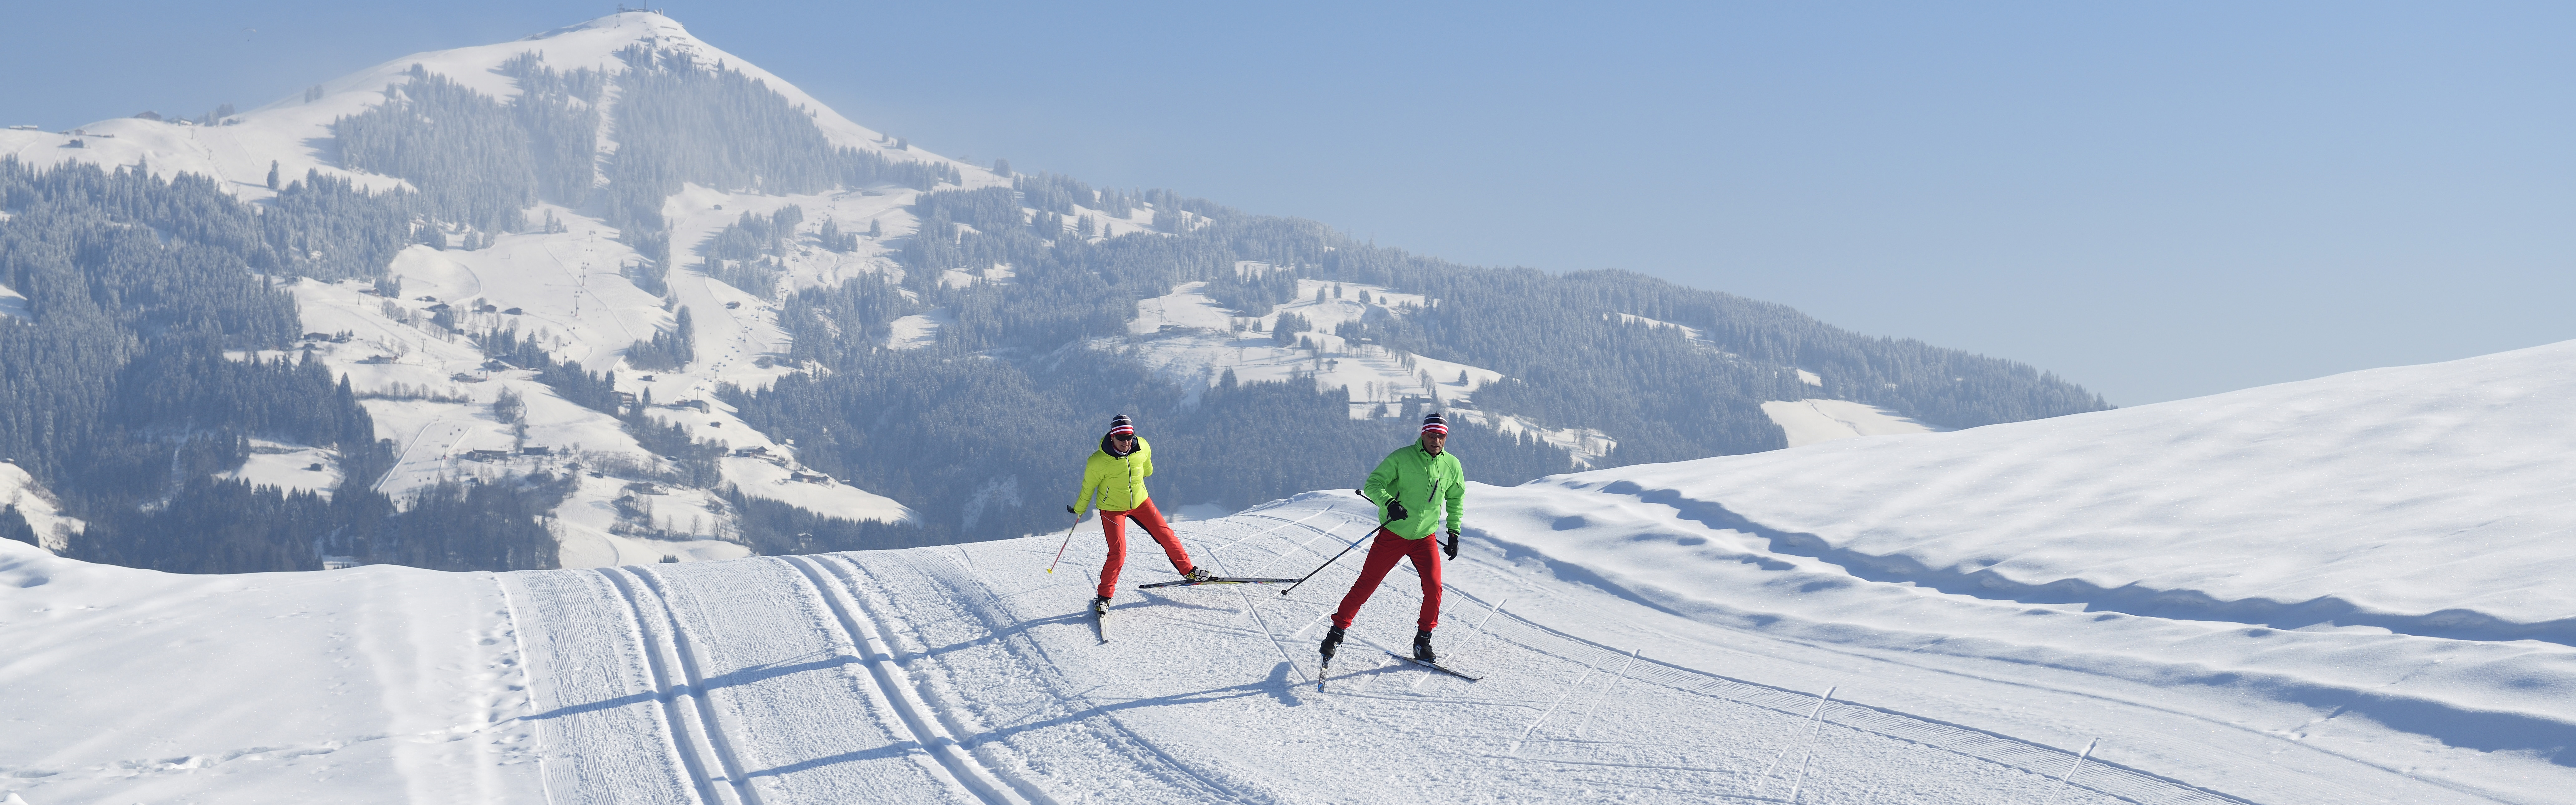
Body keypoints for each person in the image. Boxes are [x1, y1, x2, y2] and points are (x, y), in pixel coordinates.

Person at [1322, 412, 1466, 664]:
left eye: (1441, 437)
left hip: (1425, 538)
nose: (1436, 441)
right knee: (1367, 584)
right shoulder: (1402, 458)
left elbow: (1456, 499)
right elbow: (1374, 484)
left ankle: (1423, 641)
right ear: (1423, 435)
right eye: (1432, 436)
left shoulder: (1452, 465)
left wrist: (1453, 532)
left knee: (1434, 588)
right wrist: (1389, 504)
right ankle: (1335, 634)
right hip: (1394, 534)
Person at [1070, 414, 1207, 615]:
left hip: (1141, 502)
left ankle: (1189, 572)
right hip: (1112, 509)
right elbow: (1088, 488)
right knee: (1118, 553)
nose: (1126, 442)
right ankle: (1104, 598)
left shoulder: (1142, 446)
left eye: (1130, 437)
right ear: (1112, 437)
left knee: (1167, 536)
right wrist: (1079, 509)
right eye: (1122, 438)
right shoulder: (1098, 461)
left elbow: (1148, 470)